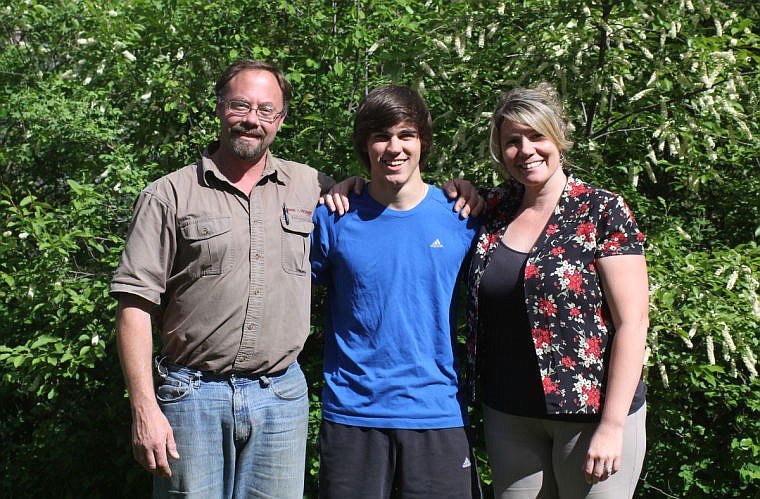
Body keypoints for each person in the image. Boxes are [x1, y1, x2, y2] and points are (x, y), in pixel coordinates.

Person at [111, 59, 335, 498]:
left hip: (281, 397)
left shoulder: (312, 186)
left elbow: (381, 199)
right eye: (240, 105)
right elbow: (134, 306)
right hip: (191, 398)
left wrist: (459, 193)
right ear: (219, 108)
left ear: (281, 120)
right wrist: (143, 408)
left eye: (266, 110)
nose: (252, 119)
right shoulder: (168, 195)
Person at [463, 83, 649, 498]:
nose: (525, 149)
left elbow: (633, 323)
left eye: (536, 136)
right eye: (512, 141)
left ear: (559, 137)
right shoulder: (491, 210)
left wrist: (613, 425)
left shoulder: (601, 210)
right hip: (509, 415)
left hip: (592, 416)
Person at [310, 85, 481, 498]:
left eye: (406, 135)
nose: (394, 148)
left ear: (423, 141)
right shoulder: (334, 217)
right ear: (365, 145)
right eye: (381, 136)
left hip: (435, 413)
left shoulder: (461, 217)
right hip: (352, 415)